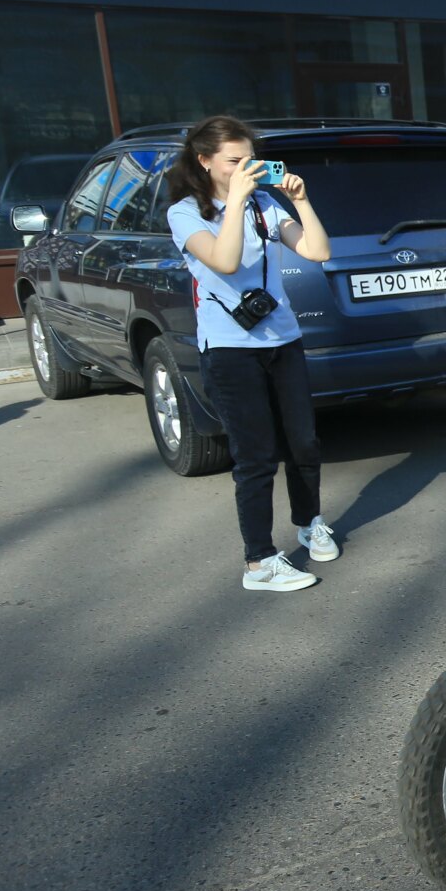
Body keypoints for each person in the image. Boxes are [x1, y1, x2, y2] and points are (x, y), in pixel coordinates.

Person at [165, 115, 339, 592]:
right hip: (230, 350)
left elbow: (317, 251)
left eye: (250, 159)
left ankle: (309, 521)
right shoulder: (185, 213)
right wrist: (236, 201)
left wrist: (300, 201)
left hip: (283, 340)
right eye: (234, 160)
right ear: (204, 161)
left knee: (303, 442)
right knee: (255, 456)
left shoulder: (265, 204)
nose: (246, 167)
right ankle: (259, 562)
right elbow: (223, 260)